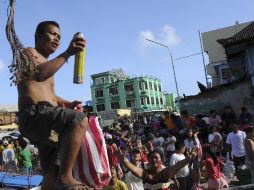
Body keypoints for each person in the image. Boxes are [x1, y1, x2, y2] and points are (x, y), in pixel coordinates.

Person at [17, 21, 91, 190]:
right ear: (38, 35)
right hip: (33, 115)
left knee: (54, 166)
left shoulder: (48, 63)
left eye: (59, 36)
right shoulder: (29, 52)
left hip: (44, 120)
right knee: (79, 120)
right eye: (52, 34)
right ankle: (66, 178)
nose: (57, 39)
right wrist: (67, 53)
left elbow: (49, 95)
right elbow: (38, 74)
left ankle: (58, 178)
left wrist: (67, 103)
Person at [117, 147, 198, 190]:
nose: (154, 160)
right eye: (151, 158)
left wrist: (189, 157)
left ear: (161, 160)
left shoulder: (165, 172)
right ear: (148, 161)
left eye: (156, 158)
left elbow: (177, 165)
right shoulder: (145, 173)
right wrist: (124, 161)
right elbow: (134, 169)